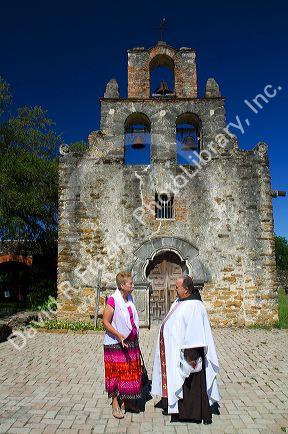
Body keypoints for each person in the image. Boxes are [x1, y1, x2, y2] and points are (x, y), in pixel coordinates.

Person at [151, 275, 220, 424]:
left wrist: (190, 357)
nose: (175, 290)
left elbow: (195, 333)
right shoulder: (180, 301)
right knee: (173, 377)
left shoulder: (194, 306)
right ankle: (170, 403)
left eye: (177, 287)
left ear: (186, 289)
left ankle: (187, 412)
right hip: (174, 351)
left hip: (188, 354)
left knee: (187, 383)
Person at [102, 271, 142, 419]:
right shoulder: (113, 300)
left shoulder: (129, 298)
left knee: (129, 372)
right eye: (130, 283)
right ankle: (115, 403)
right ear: (122, 285)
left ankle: (126, 400)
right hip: (114, 343)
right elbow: (105, 322)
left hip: (129, 342)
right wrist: (118, 335)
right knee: (116, 373)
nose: (132, 285)